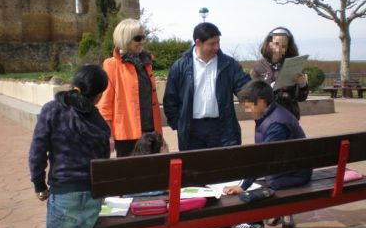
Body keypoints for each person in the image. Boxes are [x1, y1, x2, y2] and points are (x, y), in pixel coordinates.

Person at [29, 65, 110, 228]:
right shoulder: (98, 121)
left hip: (64, 192)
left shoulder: (52, 110)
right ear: (99, 95)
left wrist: (39, 184)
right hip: (92, 194)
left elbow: (38, 150)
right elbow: (103, 160)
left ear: (75, 84)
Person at [223, 80, 312, 228]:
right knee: (256, 178)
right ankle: (265, 216)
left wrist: (242, 186)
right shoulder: (272, 114)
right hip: (288, 168)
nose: (245, 109)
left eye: (247, 104)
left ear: (261, 102)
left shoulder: (275, 124)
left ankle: (254, 222)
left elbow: (263, 159)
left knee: (256, 187)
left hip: (293, 174)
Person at [163, 22, 251, 151]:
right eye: (212, 43)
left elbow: (245, 88)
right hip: (191, 130)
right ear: (198, 43)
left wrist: (260, 92)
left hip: (222, 128)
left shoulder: (229, 64)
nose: (217, 47)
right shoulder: (180, 66)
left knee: (224, 168)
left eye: (218, 42)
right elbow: (170, 98)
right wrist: (179, 124)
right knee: (194, 169)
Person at [98, 18, 163, 157]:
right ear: (125, 39)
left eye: (144, 37)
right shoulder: (111, 65)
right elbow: (105, 105)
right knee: (129, 175)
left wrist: (159, 134)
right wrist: (109, 135)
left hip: (151, 132)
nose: (142, 42)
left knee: (153, 175)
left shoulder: (146, 63)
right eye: (138, 38)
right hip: (127, 134)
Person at [132, 132, 202, 228]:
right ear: (161, 148)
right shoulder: (174, 166)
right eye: (165, 144)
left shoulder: (130, 168)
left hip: (144, 223)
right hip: (174, 223)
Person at [252, 27, 309, 120]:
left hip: (290, 117)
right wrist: (270, 87)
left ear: (288, 48)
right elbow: (252, 97)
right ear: (269, 43)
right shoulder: (258, 66)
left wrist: (302, 85)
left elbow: (301, 98)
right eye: (276, 44)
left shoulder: (294, 64)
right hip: (267, 119)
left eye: (283, 46)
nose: (279, 49)